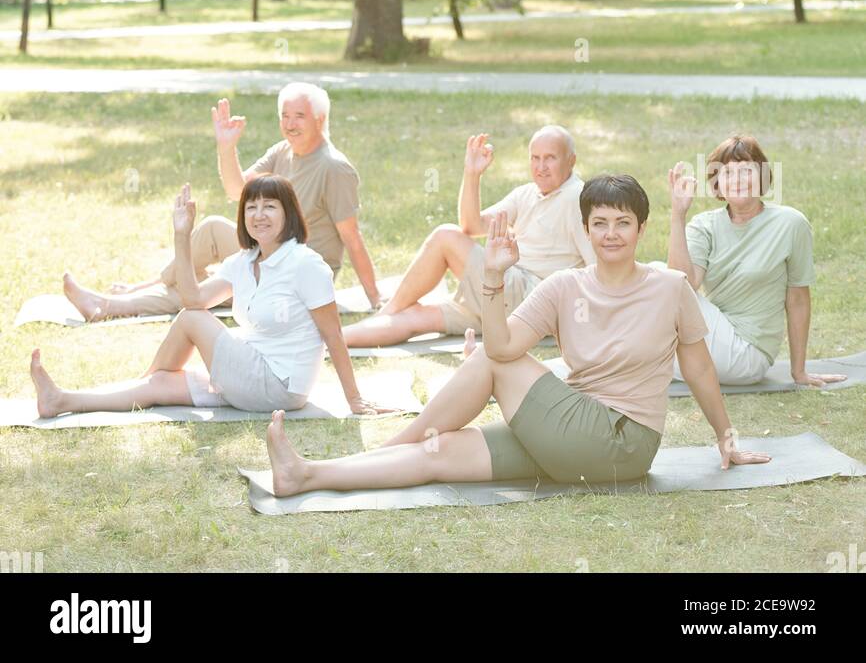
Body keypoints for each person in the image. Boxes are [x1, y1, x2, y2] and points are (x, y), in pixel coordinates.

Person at [264, 174, 772, 497]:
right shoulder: (562, 286)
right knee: (437, 453)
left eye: (623, 223)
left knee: (491, 360)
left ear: (641, 229)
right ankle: (307, 474)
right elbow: (505, 342)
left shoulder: (670, 287)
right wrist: (493, 276)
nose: (612, 233)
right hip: (565, 435)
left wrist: (726, 438)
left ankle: (387, 444)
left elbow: (700, 368)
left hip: (623, 442)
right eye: (600, 223)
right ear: (586, 229)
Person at [31, 176, 395, 419]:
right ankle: (61, 400)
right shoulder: (244, 261)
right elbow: (193, 296)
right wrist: (181, 234)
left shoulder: (306, 265)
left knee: (191, 320)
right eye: (251, 207)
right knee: (160, 385)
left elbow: (333, 336)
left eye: (270, 206)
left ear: (289, 214)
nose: (258, 214)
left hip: (279, 387)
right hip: (246, 372)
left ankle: (146, 377)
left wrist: (353, 399)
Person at [62, 82, 383, 320]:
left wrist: (376, 302)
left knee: (215, 236)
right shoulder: (282, 151)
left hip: (300, 273)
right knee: (201, 288)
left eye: (299, 116)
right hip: (271, 255)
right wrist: (226, 146)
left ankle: (131, 292)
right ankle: (108, 306)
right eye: (284, 115)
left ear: (320, 118)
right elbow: (237, 191)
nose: (289, 124)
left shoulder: (334, 168)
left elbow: (351, 238)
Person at [342, 126, 593, 348]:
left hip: (529, 297)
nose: (541, 167)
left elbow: (596, 269)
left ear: (571, 160)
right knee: (415, 317)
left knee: (445, 237)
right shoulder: (527, 193)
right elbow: (472, 226)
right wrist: (472, 175)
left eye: (550, 158)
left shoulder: (577, 197)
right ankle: (332, 340)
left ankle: (387, 309)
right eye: (535, 158)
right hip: (502, 302)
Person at [665, 135, 846, 388]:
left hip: (748, 354)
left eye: (746, 170)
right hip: (711, 339)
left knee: (657, 275)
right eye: (727, 172)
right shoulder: (704, 225)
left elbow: (797, 299)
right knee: (659, 277)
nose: (737, 180)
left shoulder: (790, 224)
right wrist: (678, 214)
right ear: (717, 184)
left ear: (763, 177)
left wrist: (799, 372)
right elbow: (684, 286)